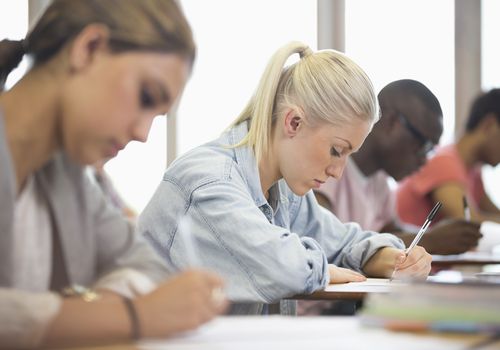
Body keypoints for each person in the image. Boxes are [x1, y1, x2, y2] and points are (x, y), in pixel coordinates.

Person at [138, 42, 432, 316]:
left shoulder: (284, 191)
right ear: (294, 122)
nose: (337, 171)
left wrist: (392, 259)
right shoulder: (210, 181)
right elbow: (281, 267)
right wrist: (325, 270)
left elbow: (343, 243)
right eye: (336, 150)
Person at [0, 1, 227, 348]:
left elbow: (147, 266)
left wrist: (100, 314)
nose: (143, 133)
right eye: (146, 97)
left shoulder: (68, 178)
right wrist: (131, 316)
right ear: (89, 49)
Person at [314, 79, 482, 256]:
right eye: (424, 145)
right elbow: (325, 240)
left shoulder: (379, 181)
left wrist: (439, 236)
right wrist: (429, 240)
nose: (425, 160)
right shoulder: (329, 164)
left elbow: (391, 232)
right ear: (391, 122)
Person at [397, 88, 500, 226]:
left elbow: (494, 214)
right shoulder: (443, 161)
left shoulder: (473, 173)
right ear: (489, 125)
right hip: (401, 246)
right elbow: (470, 224)